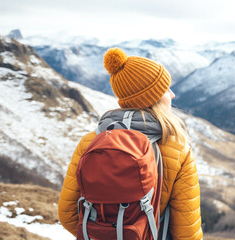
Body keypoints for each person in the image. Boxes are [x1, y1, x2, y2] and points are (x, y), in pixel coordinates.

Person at [58, 47, 203, 239]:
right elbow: (187, 232)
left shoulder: (90, 142)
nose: (172, 94)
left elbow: (67, 213)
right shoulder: (176, 147)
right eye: (166, 89)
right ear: (154, 97)